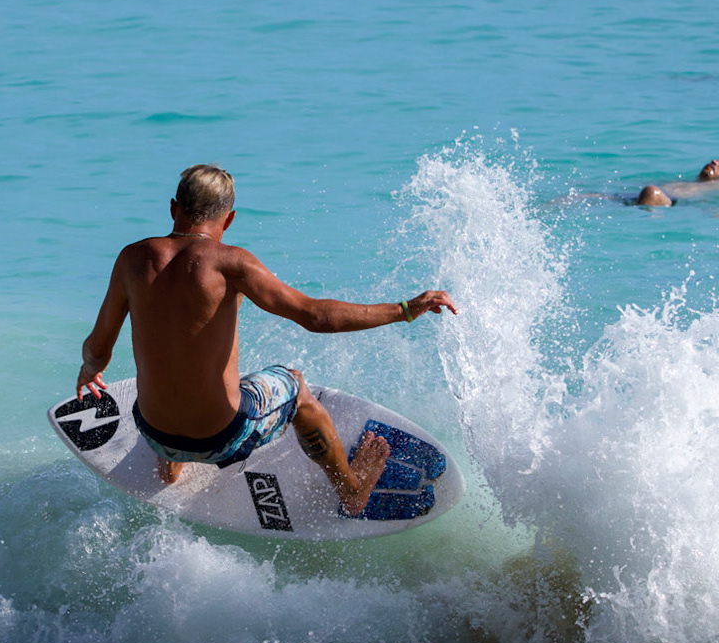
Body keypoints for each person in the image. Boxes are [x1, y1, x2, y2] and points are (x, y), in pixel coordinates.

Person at [76, 164, 457, 516]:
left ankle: (171, 465)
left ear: (174, 207)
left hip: (152, 432)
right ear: (229, 219)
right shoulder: (231, 263)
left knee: (175, 367)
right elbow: (315, 316)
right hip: (220, 438)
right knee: (294, 384)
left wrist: (88, 371)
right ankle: (351, 490)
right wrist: (404, 309)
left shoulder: (132, 259)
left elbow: (97, 350)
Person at [631, 158, 719, 206]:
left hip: (671, 204)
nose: (714, 161)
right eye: (715, 160)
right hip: (638, 199)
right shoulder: (684, 182)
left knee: (651, 191)